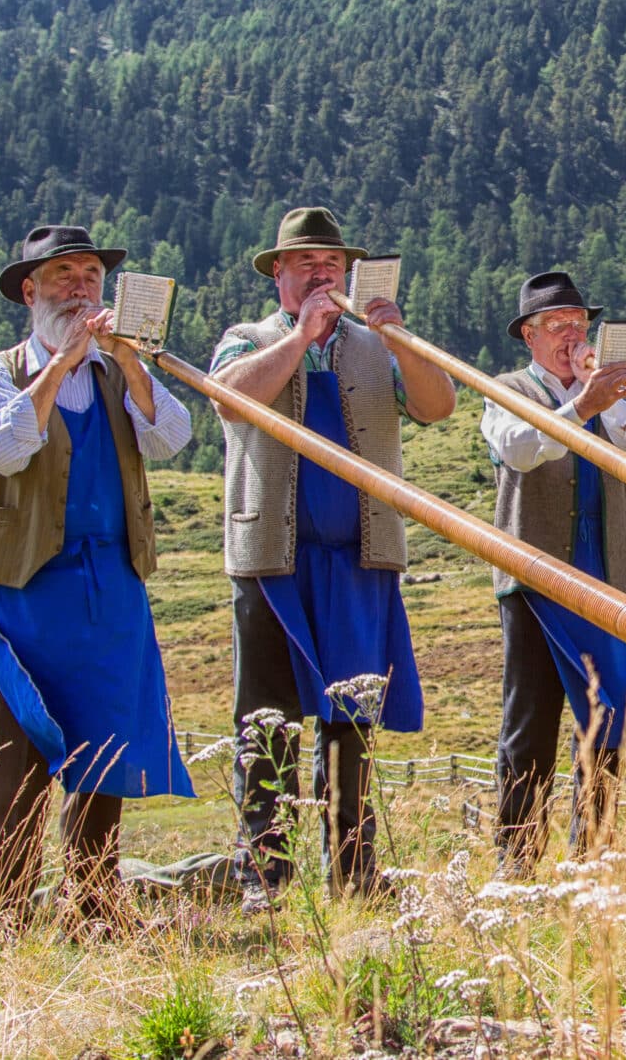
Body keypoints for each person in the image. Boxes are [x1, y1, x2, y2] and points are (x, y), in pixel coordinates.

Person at [211, 207, 455, 906]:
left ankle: (356, 872)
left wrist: (401, 340)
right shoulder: (246, 340)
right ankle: (266, 874)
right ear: (279, 273)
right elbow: (227, 399)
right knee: (268, 720)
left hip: (357, 557)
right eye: (307, 264)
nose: (323, 274)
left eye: (331, 264)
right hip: (272, 559)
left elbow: (438, 405)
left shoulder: (375, 345)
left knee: (352, 720)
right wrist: (300, 337)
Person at [0, 224, 195, 925]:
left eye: (90, 275)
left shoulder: (117, 369)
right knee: (23, 748)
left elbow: (172, 437)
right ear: (30, 291)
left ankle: (93, 904)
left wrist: (129, 362)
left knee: (106, 745)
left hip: (111, 585)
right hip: (28, 586)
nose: (80, 289)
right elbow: (5, 447)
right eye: (62, 277)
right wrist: (58, 366)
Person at [480, 271, 626, 878]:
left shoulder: (612, 394)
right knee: (530, 716)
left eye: (578, 325)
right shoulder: (505, 388)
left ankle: (594, 846)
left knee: (607, 714)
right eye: (557, 326)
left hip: (609, 567)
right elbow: (516, 449)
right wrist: (579, 407)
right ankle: (518, 856)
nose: (571, 336)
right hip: (536, 574)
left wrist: (608, 403)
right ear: (529, 337)